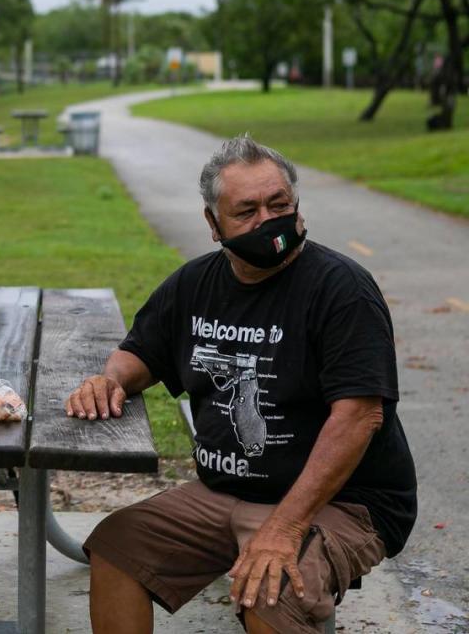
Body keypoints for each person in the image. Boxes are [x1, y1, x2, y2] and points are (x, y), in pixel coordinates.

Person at [66, 136, 417, 634]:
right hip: (226, 491)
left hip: (343, 502)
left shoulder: (341, 289)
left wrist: (286, 526)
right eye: (246, 210)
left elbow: (360, 415)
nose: (266, 223)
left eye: (279, 205)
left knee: (270, 596)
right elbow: (141, 351)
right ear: (213, 224)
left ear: (297, 207)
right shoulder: (194, 284)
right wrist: (109, 380)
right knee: (117, 548)